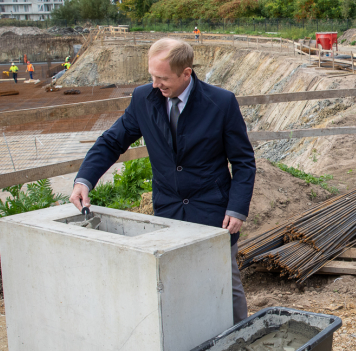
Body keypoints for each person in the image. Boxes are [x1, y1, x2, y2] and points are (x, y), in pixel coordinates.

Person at [70, 38, 257, 324]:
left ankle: (239, 340)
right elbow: (111, 142)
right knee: (175, 285)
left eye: (163, 78)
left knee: (225, 285)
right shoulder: (143, 99)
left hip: (214, 213)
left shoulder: (221, 103)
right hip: (168, 209)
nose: (156, 84)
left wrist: (237, 208)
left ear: (186, 73)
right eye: (152, 77)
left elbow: (243, 162)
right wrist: (84, 180)